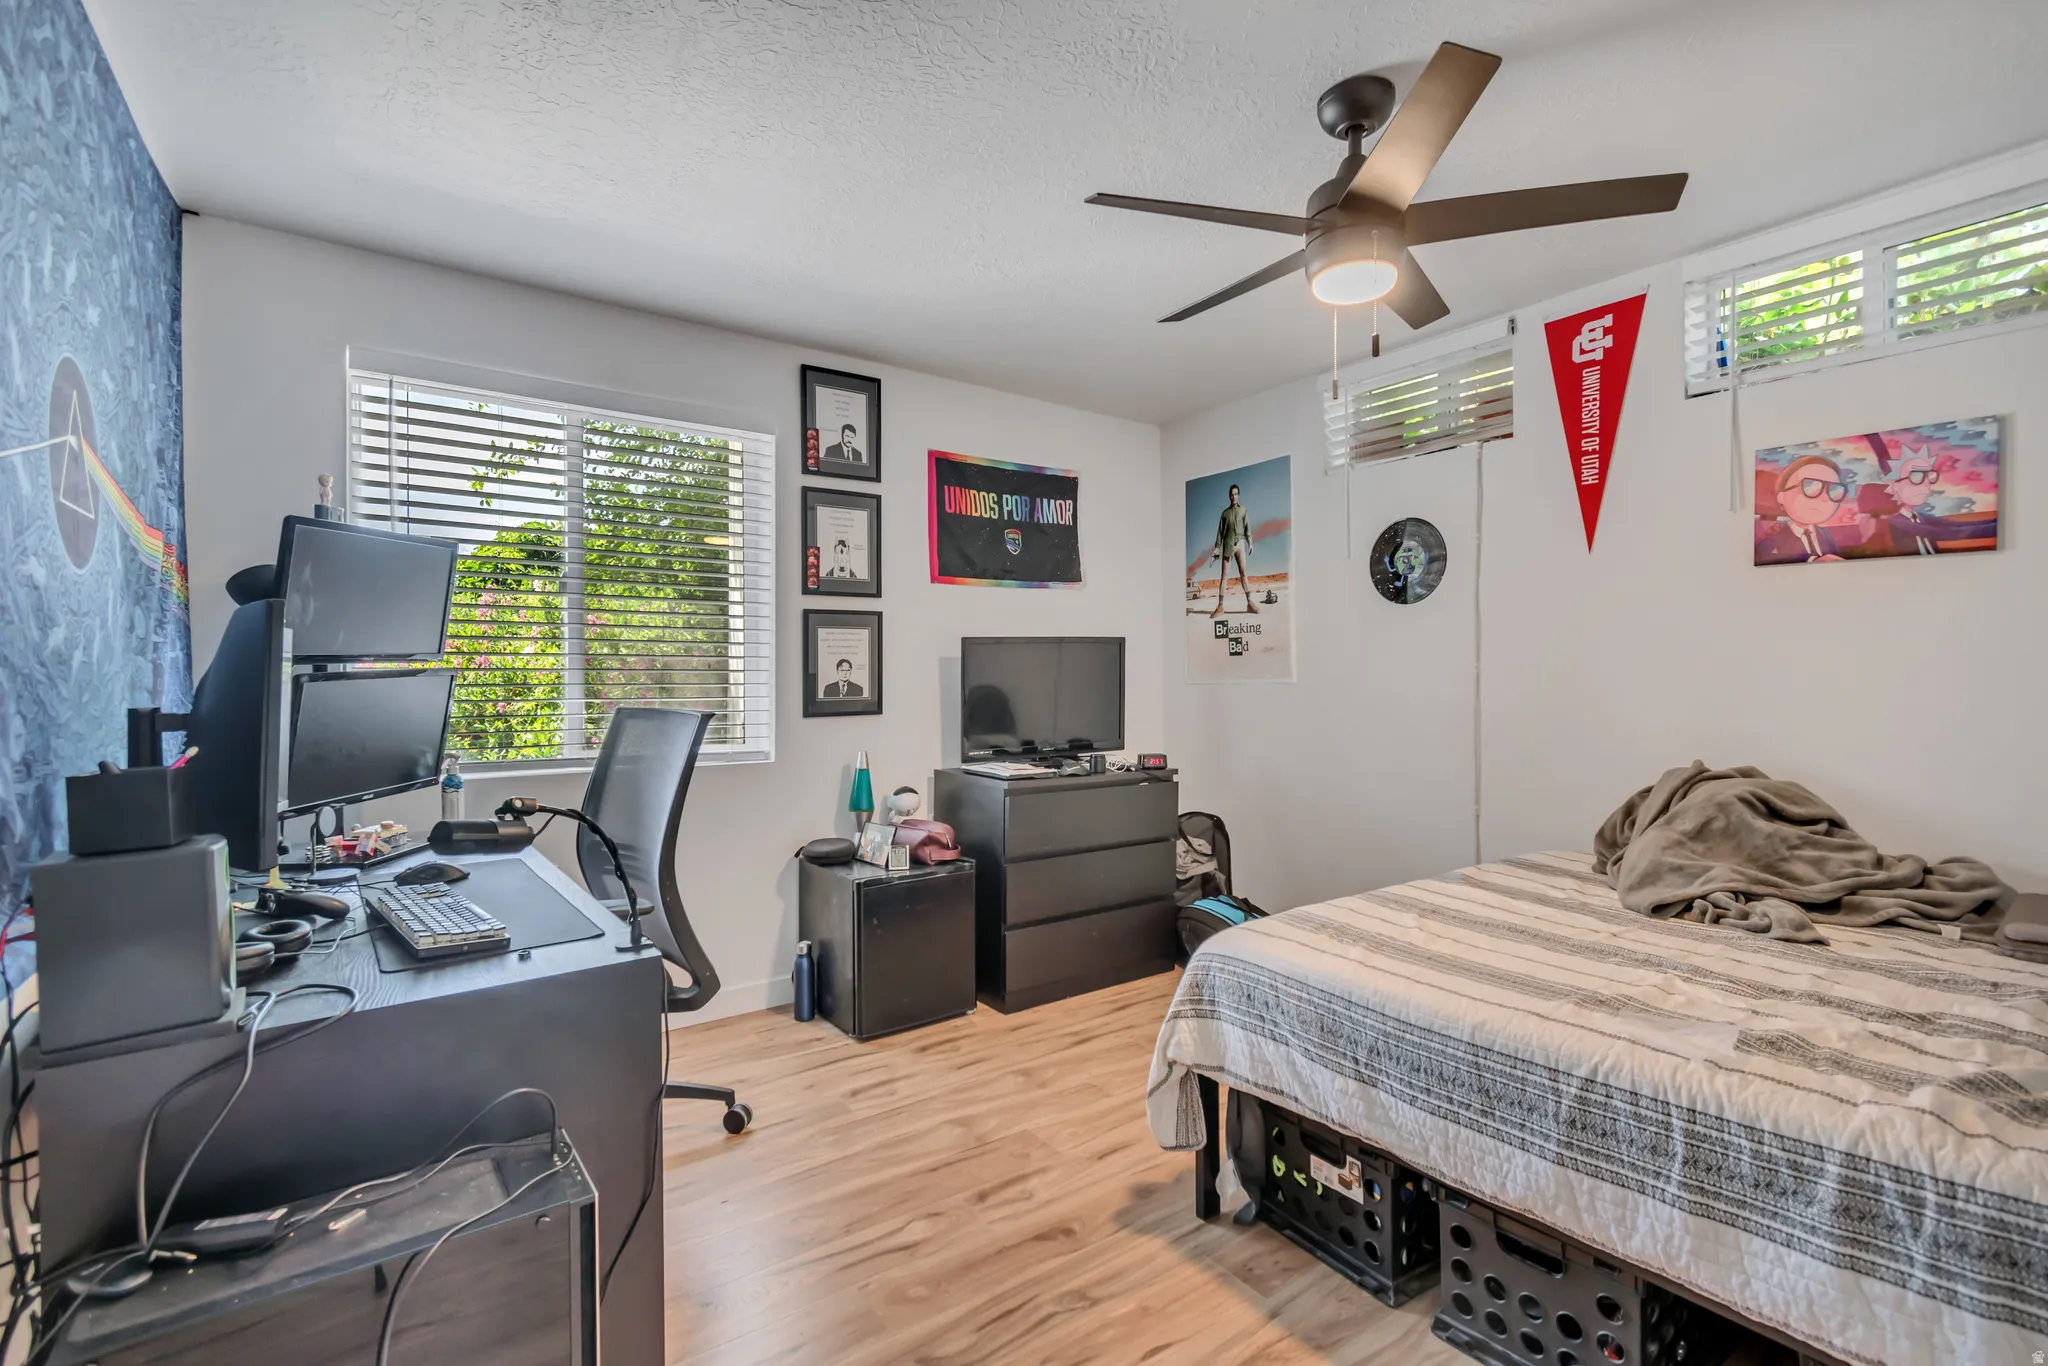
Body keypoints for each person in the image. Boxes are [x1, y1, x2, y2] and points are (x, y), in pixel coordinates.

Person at [1854, 441, 1989, 557]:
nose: (1925, 484)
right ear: (1896, 486)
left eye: (1928, 477)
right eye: (1916, 477)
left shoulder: (1919, 516)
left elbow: (1957, 525)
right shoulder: (1897, 521)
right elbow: (1946, 533)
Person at [1755, 454, 1850, 564]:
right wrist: (1813, 561)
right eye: (1811, 487)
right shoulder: (1772, 536)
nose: (1825, 497)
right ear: (1782, 497)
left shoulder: (1826, 536)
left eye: (1834, 490)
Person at [1207, 483, 1257, 617]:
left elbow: (1247, 528)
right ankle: (1220, 606)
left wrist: (1250, 542)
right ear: (1229, 496)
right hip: (1228, 544)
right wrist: (1217, 548)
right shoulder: (1225, 514)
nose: (1233, 497)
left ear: (1238, 496)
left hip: (1240, 543)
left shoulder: (1243, 510)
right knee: (1224, 575)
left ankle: (1250, 603)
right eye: (1231, 494)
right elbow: (1220, 533)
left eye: (1235, 494)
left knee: (1243, 573)